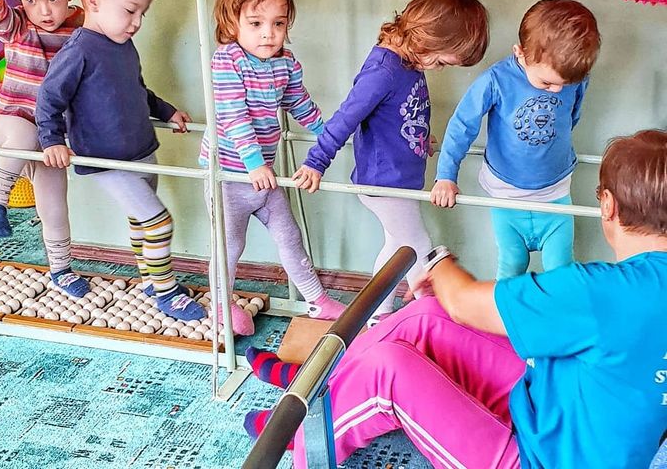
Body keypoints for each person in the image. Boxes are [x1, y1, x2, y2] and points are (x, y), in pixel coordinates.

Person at [246, 129, 667, 469]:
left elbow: (465, 301)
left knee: (388, 369)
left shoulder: (601, 291)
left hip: (537, 457)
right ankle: (317, 383)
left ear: (607, 205)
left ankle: (302, 433)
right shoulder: (618, 290)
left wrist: (439, 261)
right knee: (427, 314)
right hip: (557, 405)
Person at [291, 0, 489, 324]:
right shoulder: (383, 71)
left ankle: (377, 315)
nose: (439, 69)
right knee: (420, 246)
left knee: (397, 249)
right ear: (426, 37)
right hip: (383, 182)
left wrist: (419, 137)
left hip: (400, 177)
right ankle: (434, 318)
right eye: (441, 62)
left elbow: (398, 113)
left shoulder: (409, 60)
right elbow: (345, 118)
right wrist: (316, 161)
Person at [35, 0, 204, 321]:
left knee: (141, 221)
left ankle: (149, 280)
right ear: (93, 2)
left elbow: (137, 90)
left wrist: (167, 110)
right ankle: (166, 292)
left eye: (143, 13)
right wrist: (52, 140)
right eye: (130, 11)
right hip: (107, 160)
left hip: (141, 150)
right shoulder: (78, 51)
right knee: (158, 222)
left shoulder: (124, 46)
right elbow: (48, 98)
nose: (137, 22)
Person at [199, 0, 346, 336]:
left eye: (278, 23)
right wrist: (254, 164)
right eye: (256, 23)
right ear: (231, 24)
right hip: (230, 175)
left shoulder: (286, 63)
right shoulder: (228, 61)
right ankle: (221, 304)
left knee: (289, 235)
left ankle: (316, 299)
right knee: (229, 244)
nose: (269, 34)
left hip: (264, 176)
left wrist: (329, 134)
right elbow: (233, 116)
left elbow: (300, 103)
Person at [431, 0, 600, 279]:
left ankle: (558, 308)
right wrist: (446, 175)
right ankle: (505, 308)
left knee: (562, 269)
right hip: (506, 192)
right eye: (547, 83)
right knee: (512, 264)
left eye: (565, 84)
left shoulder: (576, 78)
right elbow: (462, 125)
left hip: (555, 191)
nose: (557, 91)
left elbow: (572, 115)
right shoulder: (496, 80)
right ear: (520, 53)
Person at [0, 0, 89, 297]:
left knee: (54, 203)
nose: (45, 11)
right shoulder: (19, 24)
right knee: (24, 135)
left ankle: (61, 269)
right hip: (10, 118)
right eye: (32, 0)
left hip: (51, 134)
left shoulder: (80, 28)